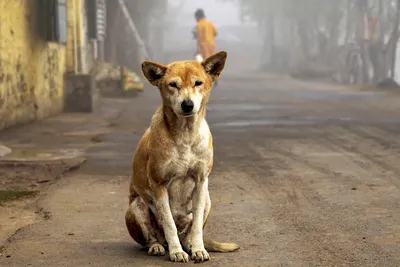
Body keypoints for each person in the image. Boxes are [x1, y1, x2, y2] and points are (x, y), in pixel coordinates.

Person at [193, 9, 218, 84]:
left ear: (197, 16)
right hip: (211, 45)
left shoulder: (198, 25)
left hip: (203, 46)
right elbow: (215, 33)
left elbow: (198, 37)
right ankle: (214, 78)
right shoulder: (210, 24)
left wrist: (197, 49)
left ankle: (205, 80)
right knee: (212, 62)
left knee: (202, 64)